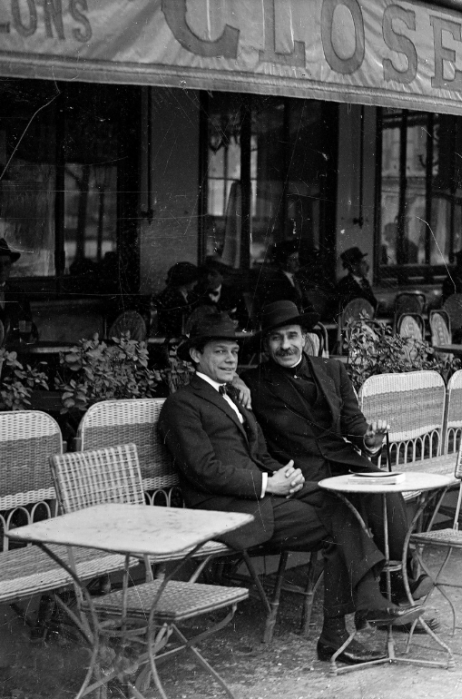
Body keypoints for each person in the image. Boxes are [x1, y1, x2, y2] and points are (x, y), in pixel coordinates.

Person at [158, 312, 424, 665]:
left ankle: (352, 620)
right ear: (196, 356)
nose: (229, 360)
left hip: (257, 494)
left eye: (233, 353)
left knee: (341, 502)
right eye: (219, 352)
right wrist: (270, 483)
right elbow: (203, 471)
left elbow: (258, 454)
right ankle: (354, 618)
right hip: (226, 508)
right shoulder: (182, 405)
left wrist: (286, 477)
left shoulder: (234, 397)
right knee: (336, 523)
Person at [241, 300, 435, 612]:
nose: (285, 345)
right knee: (347, 510)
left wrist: (369, 438)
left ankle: (397, 579)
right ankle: (391, 590)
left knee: (384, 489)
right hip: (303, 473)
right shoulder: (253, 382)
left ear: (304, 338)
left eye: (292, 336)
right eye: (276, 338)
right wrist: (236, 381)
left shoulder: (332, 370)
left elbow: (353, 423)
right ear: (266, 343)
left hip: (343, 463)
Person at [253, 239, 313, 317]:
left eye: (298, 259)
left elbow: (305, 303)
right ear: (282, 262)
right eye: (293, 260)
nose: (298, 263)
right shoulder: (276, 281)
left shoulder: (296, 280)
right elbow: (280, 308)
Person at [195, 257, 249, 329]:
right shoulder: (196, 293)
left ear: (222, 277)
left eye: (213, 274)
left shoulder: (234, 293)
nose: (208, 278)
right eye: (206, 274)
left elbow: (245, 321)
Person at [153, 261, 200, 338]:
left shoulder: (187, 296)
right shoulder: (173, 299)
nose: (196, 283)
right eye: (194, 280)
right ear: (187, 280)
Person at [0, 239, 34, 342]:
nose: (2, 269)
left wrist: (31, 335)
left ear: (10, 266)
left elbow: (29, 325)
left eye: (6, 264)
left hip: (14, 354)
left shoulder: (19, 294)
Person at [336, 246, 378, 311]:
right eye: (363, 263)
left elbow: (373, 302)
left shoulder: (365, 282)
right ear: (354, 267)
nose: (367, 266)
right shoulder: (345, 284)